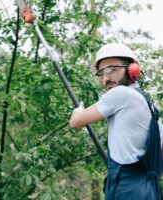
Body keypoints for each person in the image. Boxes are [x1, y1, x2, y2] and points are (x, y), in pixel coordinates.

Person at [69, 43, 163, 200]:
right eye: (102, 73)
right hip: (149, 190)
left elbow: (75, 122)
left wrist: (77, 111)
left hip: (126, 190)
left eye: (112, 69)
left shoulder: (121, 93)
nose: (106, 78)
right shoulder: (150, 107)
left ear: (132, 69)